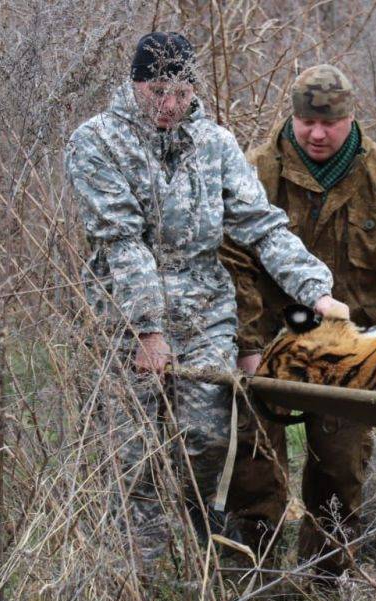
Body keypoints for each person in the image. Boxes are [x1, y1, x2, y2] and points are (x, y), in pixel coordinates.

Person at [64, 33, 348, 573]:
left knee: (206, 437)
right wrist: (146, 327)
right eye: (157, 92)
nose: (170, 105)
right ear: (135, 85)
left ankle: (201, 548)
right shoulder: (96, 142)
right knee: (132, 450)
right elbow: (119, 240)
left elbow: (260, 226)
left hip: (204, 309)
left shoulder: (214, 143)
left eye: (181, 92)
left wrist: (316, 289)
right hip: (125, 314)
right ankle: (137, 571)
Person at [220, 64, 376, 576]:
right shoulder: (256, 169)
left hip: (353, 352)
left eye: (330, 123)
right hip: (267, 347)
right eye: (307, 122)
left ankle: (324, 589)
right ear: (293, 116)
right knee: (252, 475)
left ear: (351, 118)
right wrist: (247, 343)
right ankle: (250, 588)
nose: (317, 134)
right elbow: (231, 257)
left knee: (340, 475)